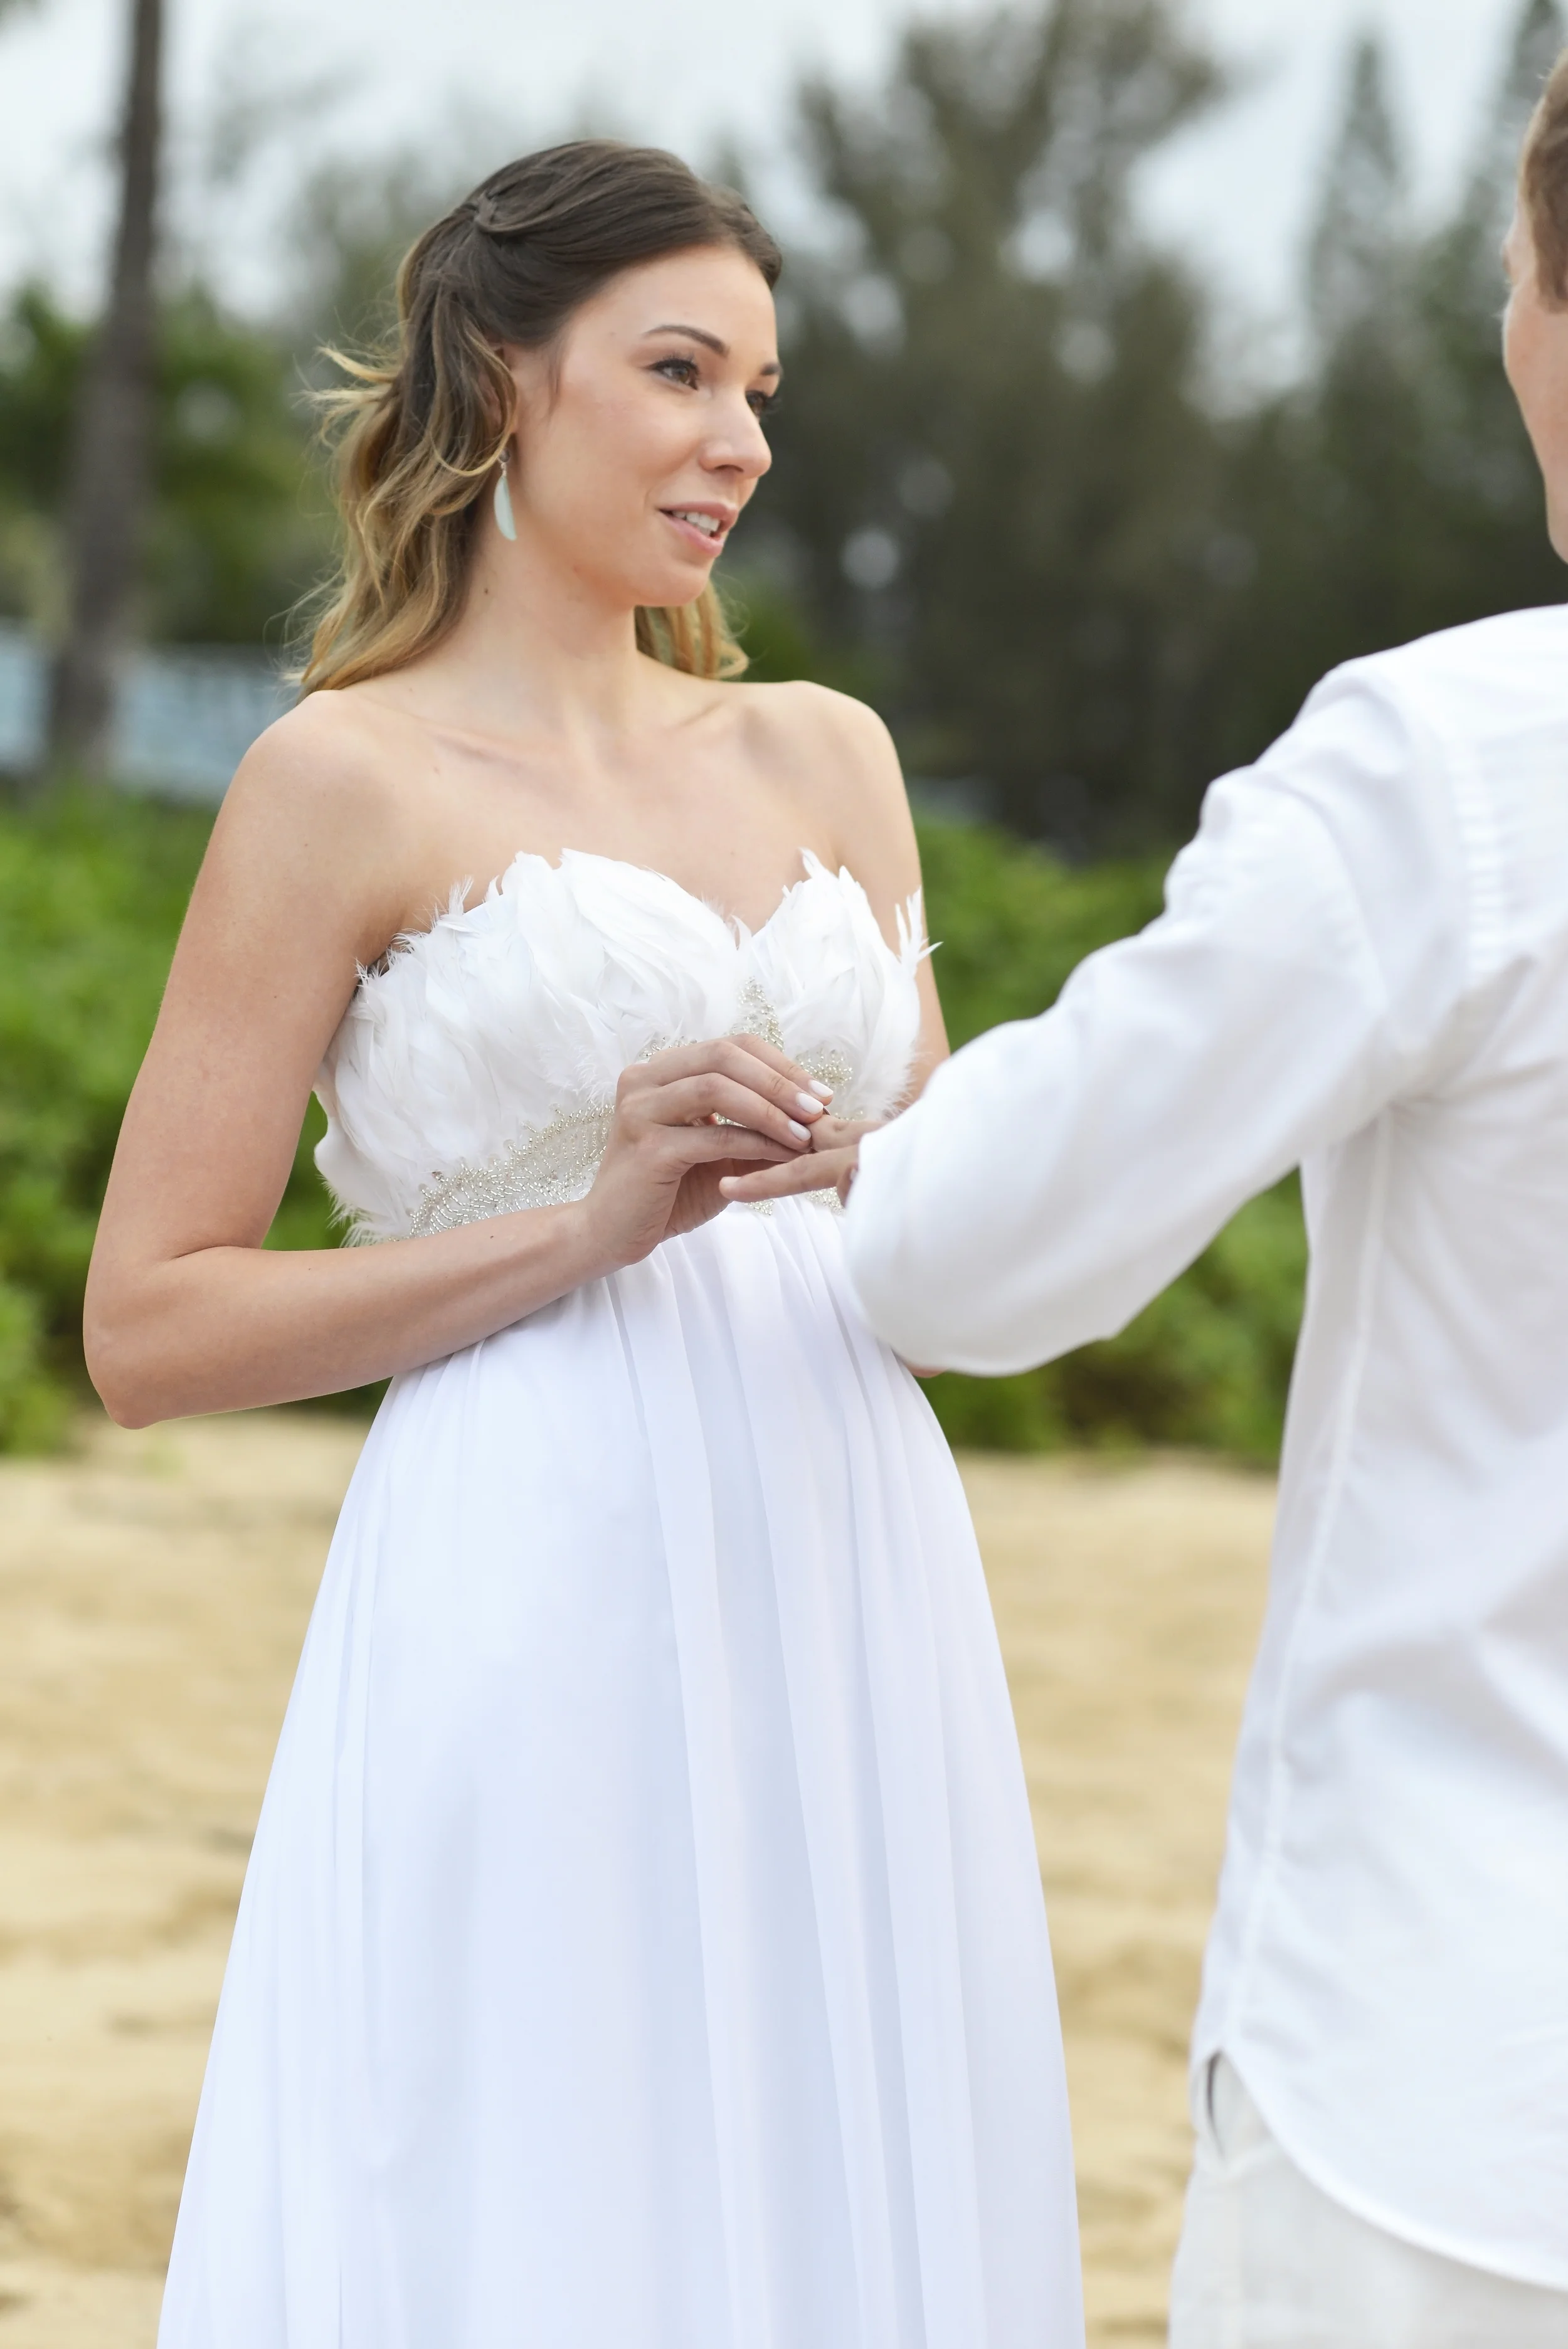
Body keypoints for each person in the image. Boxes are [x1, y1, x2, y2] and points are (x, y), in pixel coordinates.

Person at [83, 143, 1084, 2348]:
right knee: (545, 2152)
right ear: (498, 377)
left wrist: (981, 1164)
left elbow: (932, 1193)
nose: (737, 438)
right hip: (531, 1562)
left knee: (837, 2142)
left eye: (761, 390)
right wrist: (583, 1226)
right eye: (676, 370)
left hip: (853, 1552)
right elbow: (148, 1325)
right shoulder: (339, 783)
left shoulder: (828, 751)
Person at [727, 51, 1568, 2349]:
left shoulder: (1451, 770)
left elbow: (975, 1262)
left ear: (1544, 318)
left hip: (1459, 2096)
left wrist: (883, 1138)